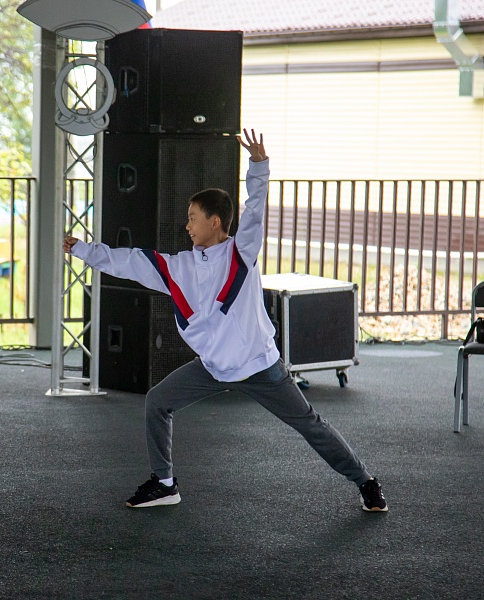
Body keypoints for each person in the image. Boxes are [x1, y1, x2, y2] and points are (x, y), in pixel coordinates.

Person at [63, 129, 387, 512]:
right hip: (213, 368)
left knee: (310, 424)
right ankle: (164, 483)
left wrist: (259, 166)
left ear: (215, 222)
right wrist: (84, 250)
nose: (187, 226)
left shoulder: (241, 253)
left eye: (193, 218)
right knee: (157, 402)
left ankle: (366, 482)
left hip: (260, 367)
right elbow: (131, 262)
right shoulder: (179, 267)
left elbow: (255, 211)